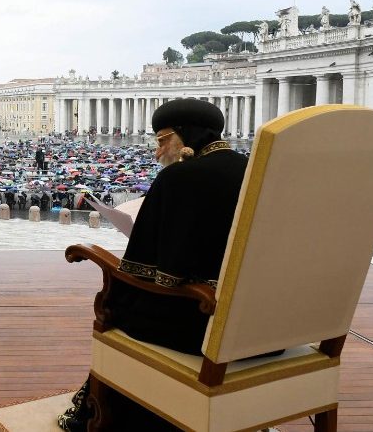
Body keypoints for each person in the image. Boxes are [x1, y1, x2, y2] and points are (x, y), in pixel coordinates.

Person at [58, 99, 249, 432]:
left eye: (163, 141)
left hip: (202, 327)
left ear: (186, 135)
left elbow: (152, 270)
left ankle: (109, 419)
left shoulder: (181, 177)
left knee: (117, 307)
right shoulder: (253, 169)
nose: (158, 153)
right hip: (258, 326)